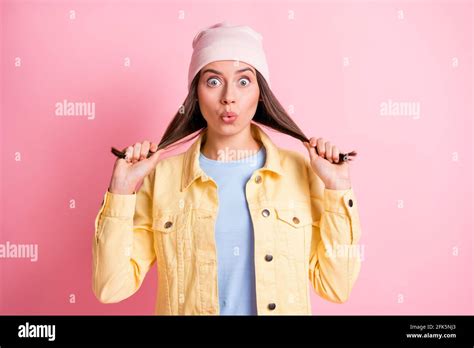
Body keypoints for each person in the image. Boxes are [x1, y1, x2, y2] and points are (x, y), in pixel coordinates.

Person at [92, 22, 362, 315]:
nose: (228, 97)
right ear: (196, 92)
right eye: (213, 81)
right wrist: (120, 190)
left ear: (261, 93)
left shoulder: (301, 172)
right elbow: (111, 287)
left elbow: (336, 286)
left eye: (244, 81)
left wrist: (337, 188)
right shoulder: (163, 178)